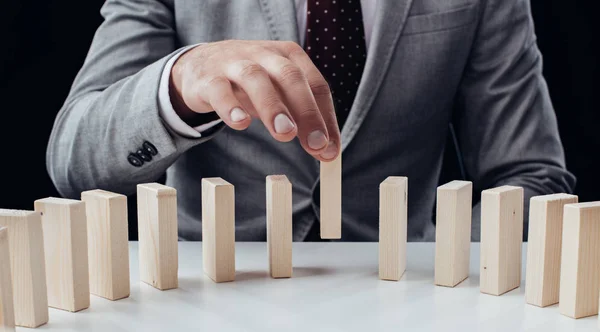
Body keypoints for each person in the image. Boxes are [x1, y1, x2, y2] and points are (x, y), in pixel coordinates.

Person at [47, 0, 575, 242]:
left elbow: (532, 175)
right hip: (206, 295)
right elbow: (73, 162)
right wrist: (180, 84)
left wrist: (449, 262)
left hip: (408, 304)